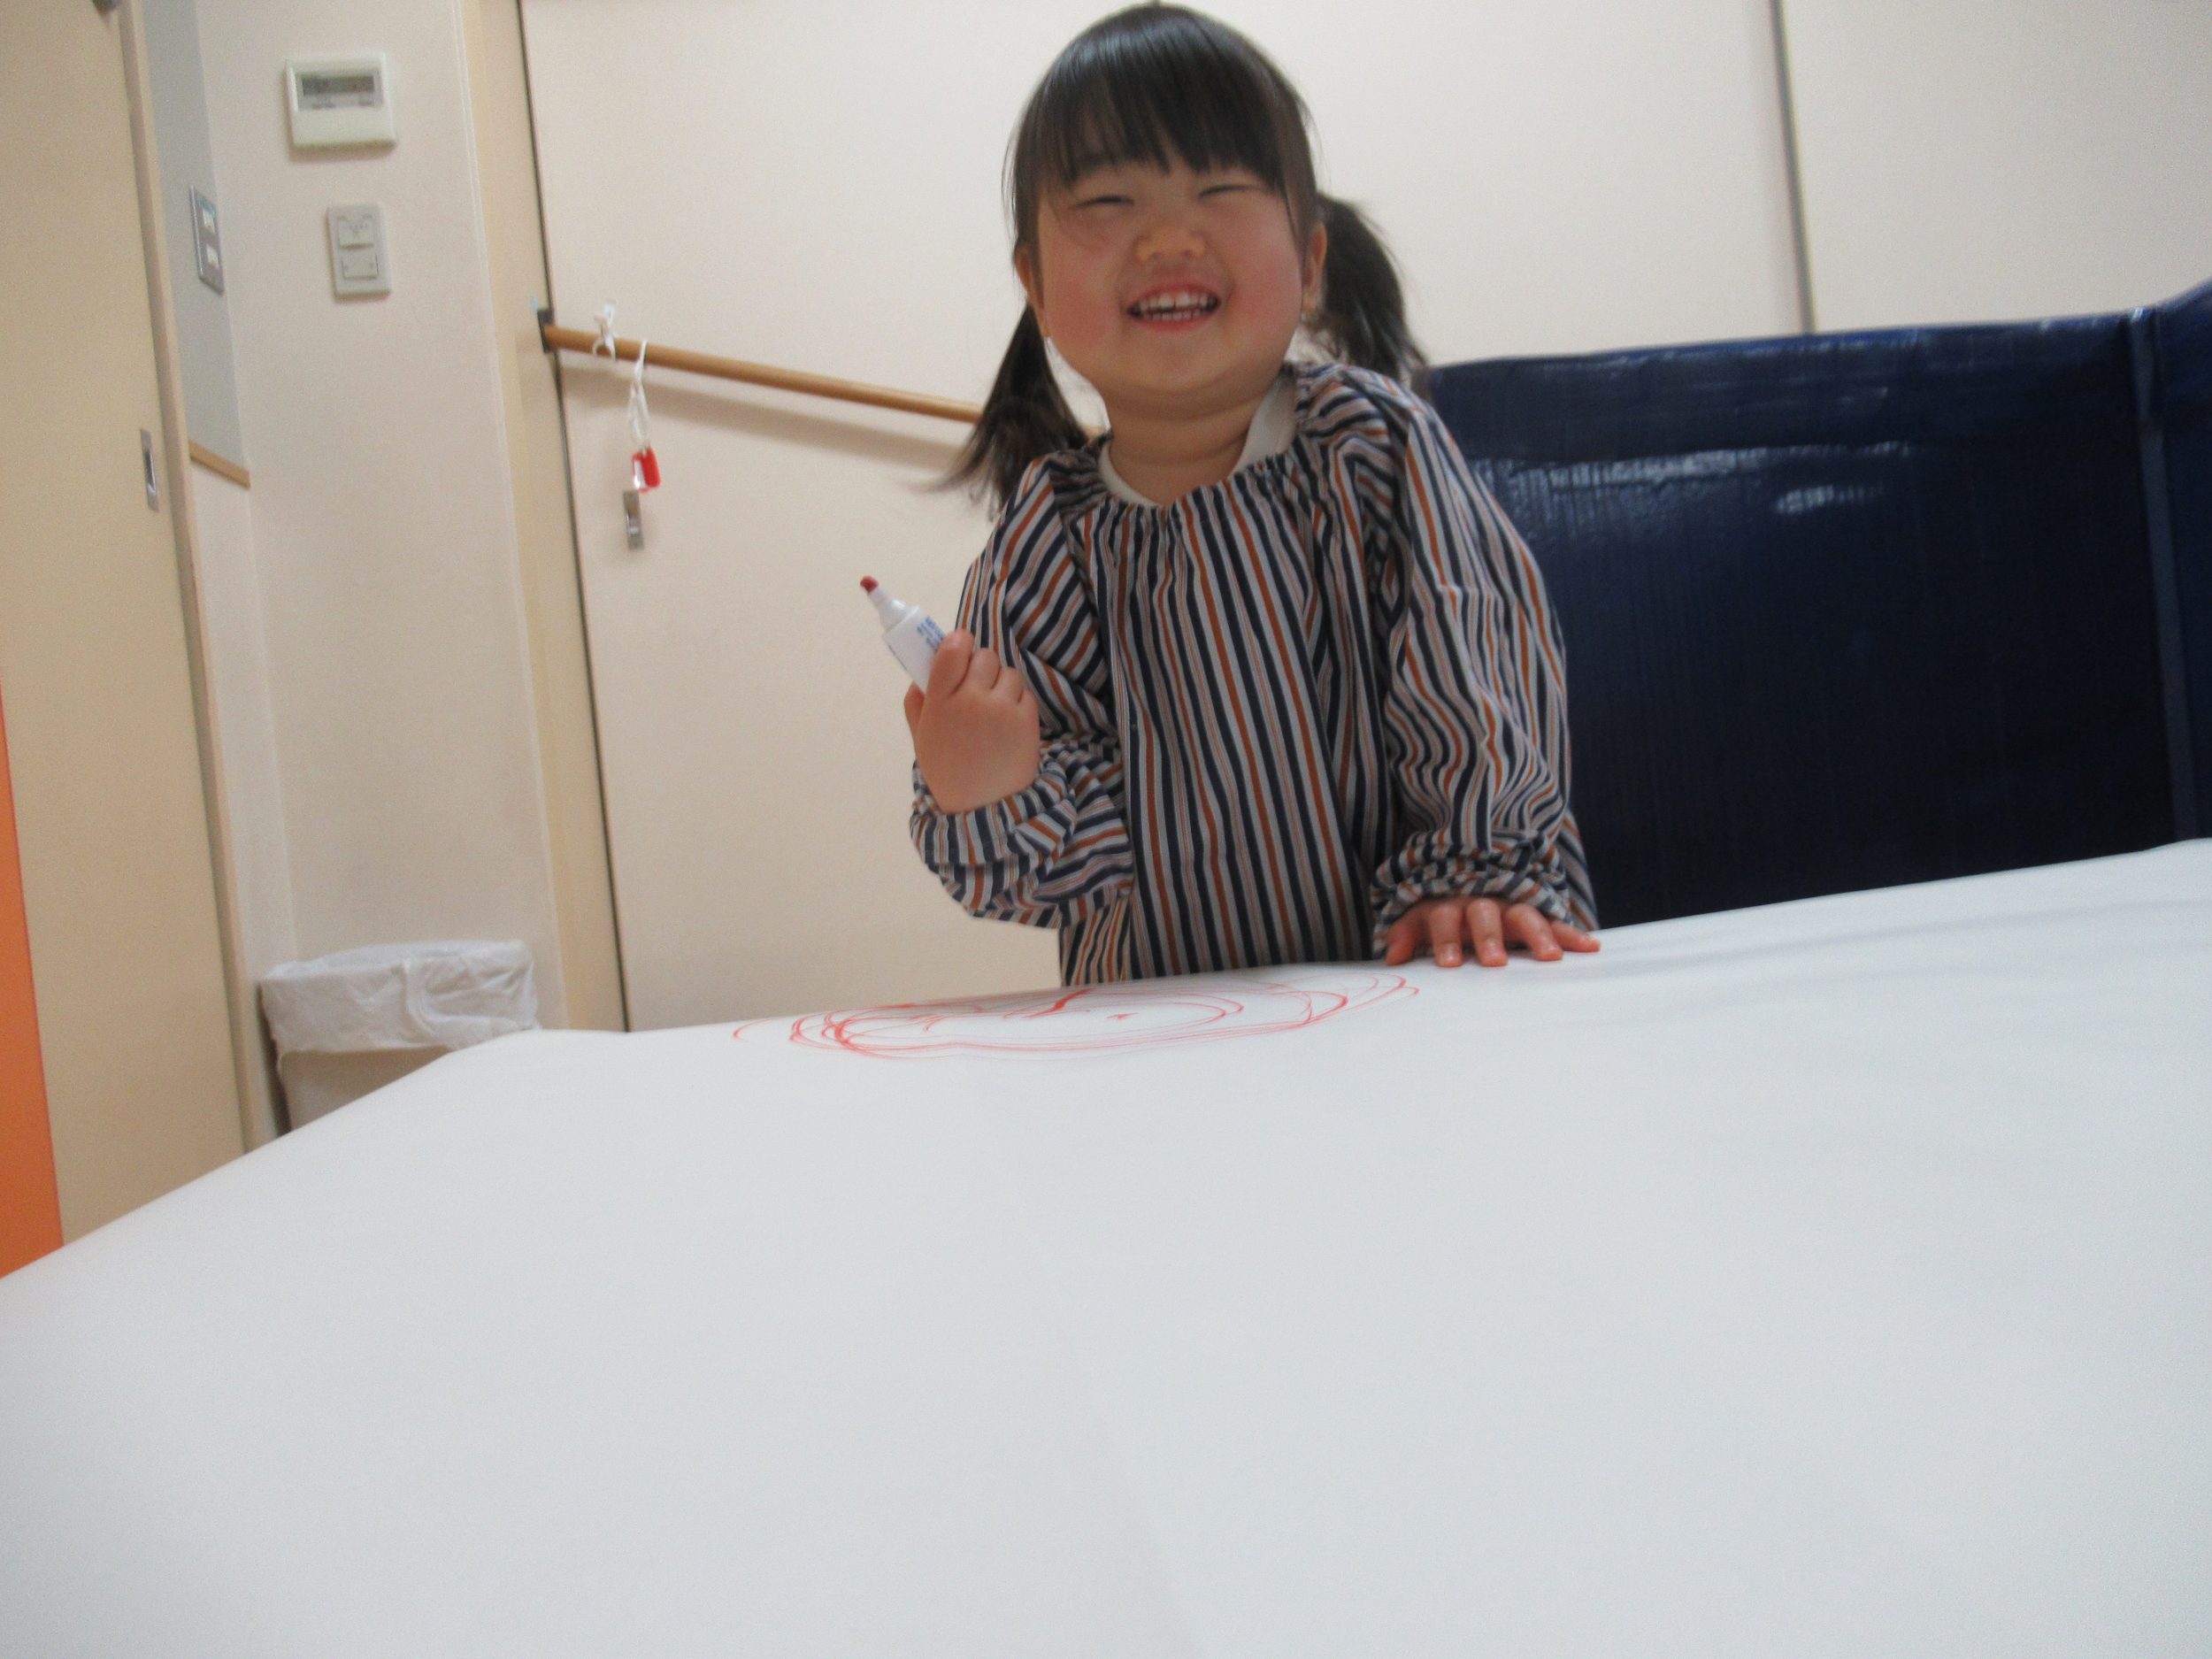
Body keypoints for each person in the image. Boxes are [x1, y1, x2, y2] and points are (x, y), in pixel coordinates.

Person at [904, 3, 1597, 986]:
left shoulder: (1374, 446)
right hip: (1173, 1036)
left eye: (1220, 187)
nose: (1166, 238)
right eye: (1107, 201)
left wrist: (1477, 865)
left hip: (1424, 982)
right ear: (1038, 289)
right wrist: (987, 786)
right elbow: (1060, 872)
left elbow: (1470, 661)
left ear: (1310, 264)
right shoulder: (1044, 542)